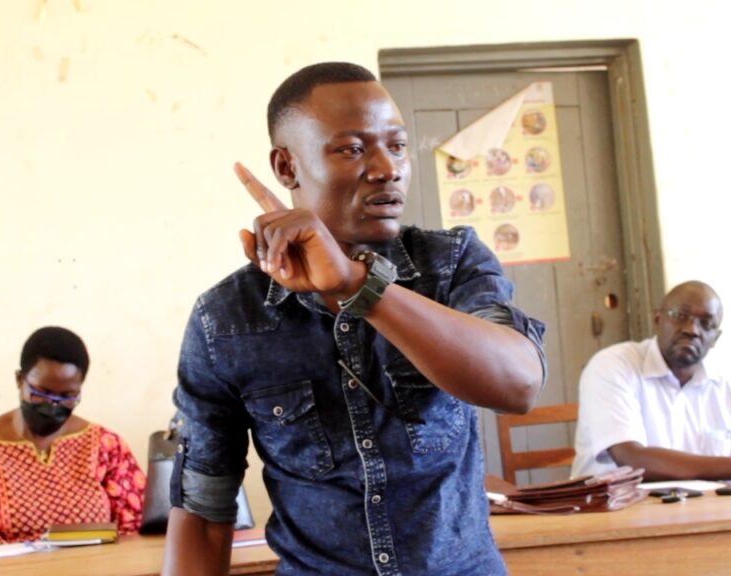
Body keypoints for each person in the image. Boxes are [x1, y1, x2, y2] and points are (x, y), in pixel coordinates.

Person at [163, 62, 547, 576]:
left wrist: (356, 285)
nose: (387, 168)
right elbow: (204, 513)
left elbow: (518, 384)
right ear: (286, 167)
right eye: (352, 148)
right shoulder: (226, 320)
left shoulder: (452, 264)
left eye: (397, 145)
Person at [0, 326, 146, 553]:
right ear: (19, 380)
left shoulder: (107, 447)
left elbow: (138, 529)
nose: (53, 406)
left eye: (67, 397)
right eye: (41, 393)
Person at [571, 281, 731, 492]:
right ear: (657, 320)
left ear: (715, 338)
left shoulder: (727, 394)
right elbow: (631, 459)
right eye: (680, 315)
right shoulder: (614, 365)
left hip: (700, 517)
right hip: (614, 515)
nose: (692, 330)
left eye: (706, 323)